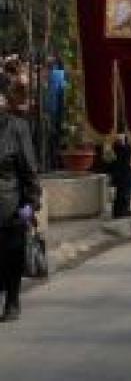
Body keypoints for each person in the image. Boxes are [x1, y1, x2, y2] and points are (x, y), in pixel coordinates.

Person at [0, 87, 38, 323]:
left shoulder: (16, 128)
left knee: (11, 257)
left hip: (10, 206)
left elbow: (29, 170)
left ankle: (12, 300)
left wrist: (30, 206)